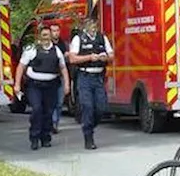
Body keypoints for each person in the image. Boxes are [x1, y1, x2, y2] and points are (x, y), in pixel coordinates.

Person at [15, 27, 70, 151]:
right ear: (39, 36)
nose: (46, 37)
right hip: (35, 86)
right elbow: (21, 66)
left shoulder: (56, 50)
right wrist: (17, 84)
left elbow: (63, 68)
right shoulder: (32, 49)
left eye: (48, 35)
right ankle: (34, 137)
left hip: (51, 86)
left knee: (49, 112)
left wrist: (66, 84)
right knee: (37, 109)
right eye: (44, 35)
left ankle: (45, 137)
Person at [69, 16, 113, 150]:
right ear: (85, 26)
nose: (93, 27)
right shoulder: (78, 39)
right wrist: (89, 57)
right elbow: (72, 58)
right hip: (85, 76)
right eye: (91, 25)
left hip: (98, 76)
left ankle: (88, 126)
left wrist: (106, 57)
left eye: (95, 25)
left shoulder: (102, 38)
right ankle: (88, 137)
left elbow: (112, 55)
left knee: (101, 107)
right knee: (87, 106)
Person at [49, 23, 69, 133]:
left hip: (60, 76)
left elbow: (66, 61)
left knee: (60, 102)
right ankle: (53, 123)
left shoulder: (63, 44)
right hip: (50, 77)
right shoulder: (47, 44)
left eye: (57, 30)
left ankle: (55, 122)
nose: (56, 33)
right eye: (53, 30)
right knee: (51, 101)